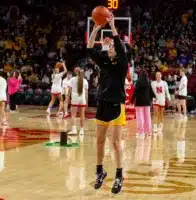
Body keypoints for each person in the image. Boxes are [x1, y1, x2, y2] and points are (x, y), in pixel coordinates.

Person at [87, 13, 128, 194]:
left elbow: (119, 45)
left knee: (116, 143)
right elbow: (89, 49)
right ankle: (100, 171)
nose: (110, 47)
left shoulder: (122, 64)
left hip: (117, 105)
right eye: (109, 46)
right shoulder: (104, 63)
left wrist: (112, 26)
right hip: (103, 104)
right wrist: (96, 29)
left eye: (112, 46)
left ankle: (119, 176)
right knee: (99, 142)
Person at [131, 71, 155, 137]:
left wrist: (131, 100)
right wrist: (154, 97)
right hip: (147, 102)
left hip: (139, 102)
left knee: (140, 117)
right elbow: (151, 92)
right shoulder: (148, 82)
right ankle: (149, 132)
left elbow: (135, 92)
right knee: (147, 117)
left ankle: (141, 132)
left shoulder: (138, 82)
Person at [67, 68, 88, 135]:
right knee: (82, 115)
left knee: (73, 115)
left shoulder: (72, 79)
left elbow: (69, 90)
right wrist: (86, 102)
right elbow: (86, 94)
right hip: (82, 98)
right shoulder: (85, 81)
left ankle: (74, 130)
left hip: (75, 97)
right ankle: (81, 130)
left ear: (77, 73)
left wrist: (68, 98)